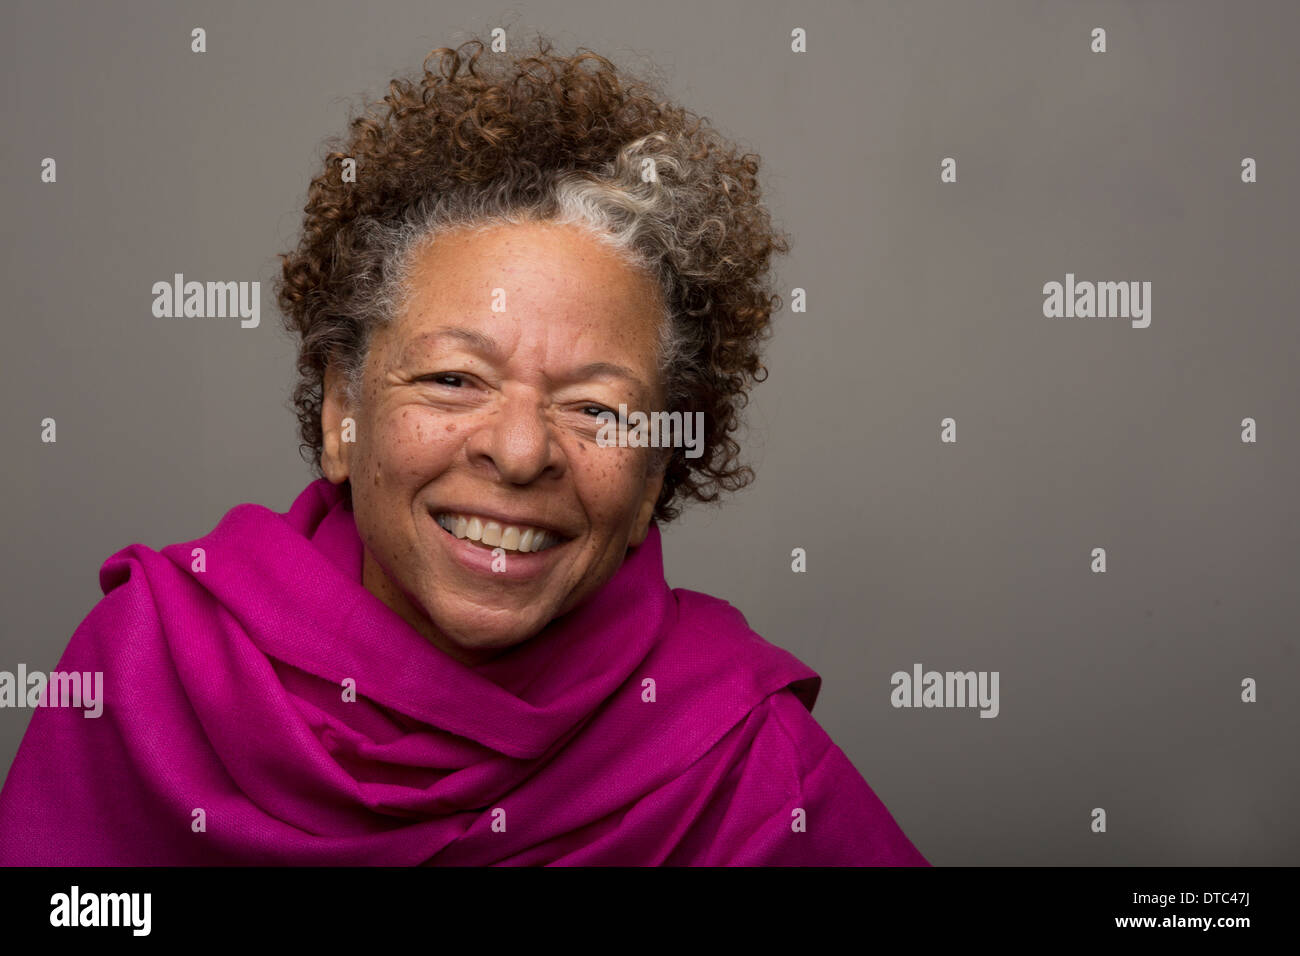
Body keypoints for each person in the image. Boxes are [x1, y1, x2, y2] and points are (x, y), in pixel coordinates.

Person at [0, 36, 927, 866]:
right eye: (452, 380)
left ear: (654, 475)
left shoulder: (750, 770)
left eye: (598, 410)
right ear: (340, 412)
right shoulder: (148, 671)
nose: (521, 453)